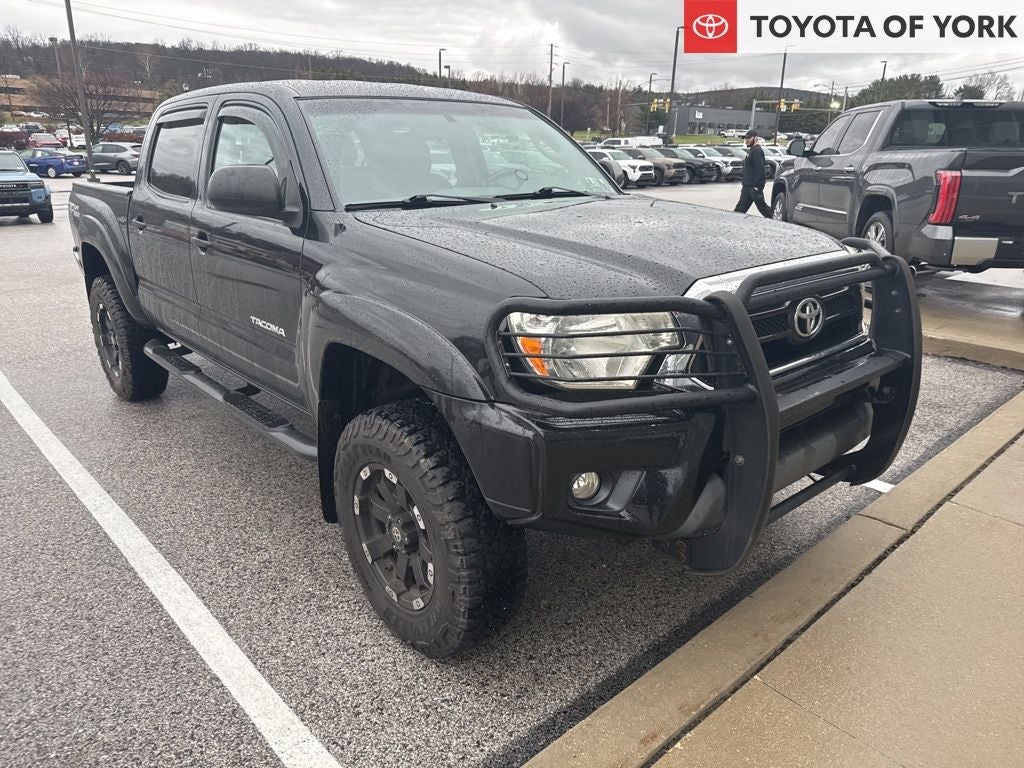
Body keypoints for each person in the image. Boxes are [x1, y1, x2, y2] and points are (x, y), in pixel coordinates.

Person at [733, 130, 772, 217]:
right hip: (747, 187)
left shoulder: (757, 151)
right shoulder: (752, 150)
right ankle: (731, 225)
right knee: (739, 210)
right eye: (746, 138)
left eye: (749, 138)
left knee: (763, 208)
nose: (746, 140)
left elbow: (760, 170)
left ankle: (779, 221)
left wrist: (757, 186)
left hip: (753, 187)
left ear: (755, 138)